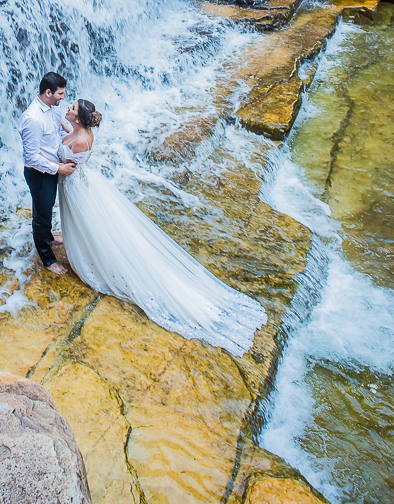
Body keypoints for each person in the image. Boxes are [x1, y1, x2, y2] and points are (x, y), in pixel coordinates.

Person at [57, 98, 267, 357]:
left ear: (78, 119)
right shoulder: (83, 133)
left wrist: (52, 160)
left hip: (77, 187)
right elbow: (70, 140)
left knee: (88, 226)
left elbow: (65, 159)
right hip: (86, 184)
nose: (68, 109)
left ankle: (88, 259)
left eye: (72, 109)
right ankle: (83, 253)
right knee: (87, 227)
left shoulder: (79, 140)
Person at [19, 72, 77, 276]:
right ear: (48, 92)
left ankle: (49, 237)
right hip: (39, 173)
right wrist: (60, 168)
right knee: (41, 215)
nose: (63, 97)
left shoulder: (54, 107)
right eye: (60, 94)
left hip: (52, 165)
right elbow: (31, 158)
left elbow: (57, 132)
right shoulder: (32, 119)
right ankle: (47, 258)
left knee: (48, 206)